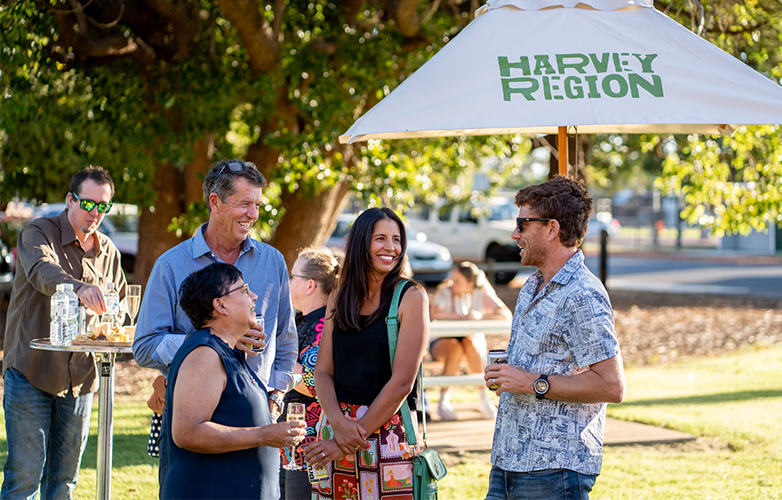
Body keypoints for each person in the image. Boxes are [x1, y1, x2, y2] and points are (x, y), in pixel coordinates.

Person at [133, 159, 298, 456]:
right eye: (244, 204)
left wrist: (274, 400)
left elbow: (285, 341)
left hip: (259, 420)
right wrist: (212, 343)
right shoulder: (171, 265)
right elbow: (145, 347)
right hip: (193, 421)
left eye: (257, 205)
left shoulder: (272, 261)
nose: (253, 214)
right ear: (215, 202)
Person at [483, 176, 625, 500]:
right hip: (507, 461)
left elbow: (611, 385)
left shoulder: (583, 294)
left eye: (522, 224)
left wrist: (532, 382)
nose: (514, 234)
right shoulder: (532, 285)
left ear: (551, 229)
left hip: (554, 471)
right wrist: (507, 374)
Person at [2, 166, 127, 498]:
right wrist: (80, 288)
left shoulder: (109, 251)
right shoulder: (37, 232)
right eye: (88, 203)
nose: (95, 212)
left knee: (64, 482)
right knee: (24, 479)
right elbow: (43, 271)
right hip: (31, 372)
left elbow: (120, 306)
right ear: (71, 199)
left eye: (103, 206)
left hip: (81, 378)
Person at [305, 208, 430, 500]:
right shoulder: (339, 295)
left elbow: (402, 383)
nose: (391, 247)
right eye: (381, 238)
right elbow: (322, 371)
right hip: (335, 427)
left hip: (388, 433)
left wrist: (348, 439)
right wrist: (338, 425)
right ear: (361, 242)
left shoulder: (411, 297)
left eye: (397, 239)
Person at [159, 262, 305, 499]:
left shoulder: (226, 351)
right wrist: (264, 435)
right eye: (244, 290)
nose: (254, 297)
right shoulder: (205, 354)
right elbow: (188, 432)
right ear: (220, 305)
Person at [279, 247, 339, 499]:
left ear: (310, 285)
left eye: (293, 276)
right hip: (290, 443)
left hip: (311, 446)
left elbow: (315, 384)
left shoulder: (324, 326)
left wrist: (270, 359)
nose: (288, 282)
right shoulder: (301, 321)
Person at [429, 261, 511, 420]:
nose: (452, 284)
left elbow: (504, 314)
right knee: (455, 348)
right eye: (452, 279)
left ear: (470, 284)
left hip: (470, 340)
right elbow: (435, 313)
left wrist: (480, 316)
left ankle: (482, 398)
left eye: (457, 281)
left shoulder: (481, 292)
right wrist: (462, 317)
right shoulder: (445, 291)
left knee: (470, 343)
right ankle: (443, 401)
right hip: (443, 341)